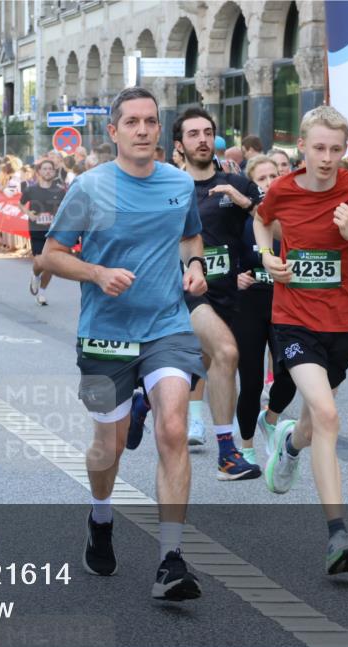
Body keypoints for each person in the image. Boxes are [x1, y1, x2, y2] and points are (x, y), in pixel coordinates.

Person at [42, 87, 207, 601]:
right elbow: (49, 255)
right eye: (131, 122)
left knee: (174, 427)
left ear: (161, 130)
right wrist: (95, 272)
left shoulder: (179, 183)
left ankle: (171, 559)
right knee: (106, 446)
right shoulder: (90, 188)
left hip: (167, 327)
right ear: (112, 131)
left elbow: (190, 237)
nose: (142, 130)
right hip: (103, 336)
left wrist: (196, 266)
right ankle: (100, 517)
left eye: (150, 122)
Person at [254, 105, 348, 574]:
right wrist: (266, 257)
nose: (327, 158)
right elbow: (262, 220)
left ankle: (289, 445)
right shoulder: (282, 189)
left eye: (336, 150)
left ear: (346, 151)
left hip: (341, 328)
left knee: (314, 423)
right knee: (327, 413)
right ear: (302, 146)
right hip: (293, 321)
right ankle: (338, 535)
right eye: (318, 148)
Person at [133, 105, 262, 481]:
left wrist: (250, 206)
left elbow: (278, 227)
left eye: (208, 132)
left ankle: (142, 398)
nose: (202, 139)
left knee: (197, 367)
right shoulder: (165, 186)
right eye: (194, 134)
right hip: (182, 292)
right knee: (226, 352)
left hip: (228, 293)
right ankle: (227, 454)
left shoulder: (237, 184)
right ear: (179, 144)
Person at [233, 155, 297, 463]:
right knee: (251, 380)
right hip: (250, 302)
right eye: (262, 178)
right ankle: (246, 448)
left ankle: (270, 418)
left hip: (284, 300)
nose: (270, 182)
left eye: (274, 175)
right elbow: (223, 251)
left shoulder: (292, 215)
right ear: (251, 184)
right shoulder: (241, 217)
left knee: (291, 371)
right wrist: (236, 275)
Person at [20, 159, 66, 305]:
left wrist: (58, 217)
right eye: (44, 169)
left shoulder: (60, 190)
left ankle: (42, 293)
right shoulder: (31, 189)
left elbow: (65, 208)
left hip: (53, 231)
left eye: (50, 169)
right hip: (37, 229)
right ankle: (35, 274)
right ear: (39, 172)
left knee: (50, 263)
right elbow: (21, 203)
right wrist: (30, 214)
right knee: (40, 261)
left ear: (54, 172)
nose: (47, 171)